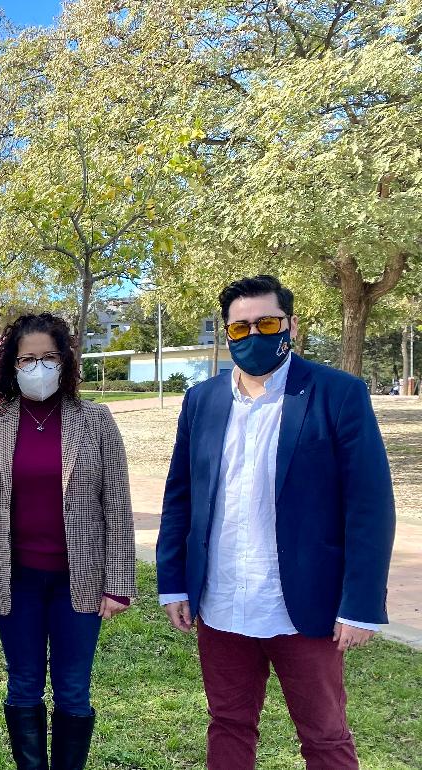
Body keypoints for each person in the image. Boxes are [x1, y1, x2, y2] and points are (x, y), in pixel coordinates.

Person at [156, 274, 396, 769]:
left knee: (325, 735)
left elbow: (369, 506)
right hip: (221, 603)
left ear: (289, 325)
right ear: (227, 335)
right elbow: (180, 498)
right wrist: (174, 584)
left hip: (304, 611)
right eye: (240, 328)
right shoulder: (201, 401)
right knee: (228, 725)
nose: (254, 335)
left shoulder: (338, 393)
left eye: (266, 323)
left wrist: (362, 604)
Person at [0, 313, 136, 770]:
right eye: (27, 358)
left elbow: (116, 505)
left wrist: (118, 582)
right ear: (11, 366)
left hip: (79, 581)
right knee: (23, 684)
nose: (38, 367)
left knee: (73, 688)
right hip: (14, 580)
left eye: (48, 357)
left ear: (66, 361)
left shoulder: (95, 421)